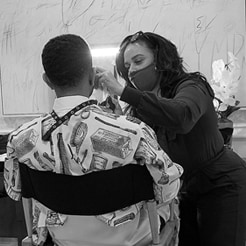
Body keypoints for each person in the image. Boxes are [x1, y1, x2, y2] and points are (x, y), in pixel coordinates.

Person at [4, 34, 183, 246]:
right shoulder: (134, 132)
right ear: (92, 76)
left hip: (63, 238)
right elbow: (166, 188)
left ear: (47, 81)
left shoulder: (20, 139)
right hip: (130, 238)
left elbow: (15, 191)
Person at [96, 31, 246, 246]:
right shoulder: (139, 109)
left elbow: (181, 116)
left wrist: (122, 90)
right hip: (182, 192)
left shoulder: (192, 86)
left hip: (223, 185)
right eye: (127, 67)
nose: (133, 71)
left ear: (160, 60)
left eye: (139, 61)